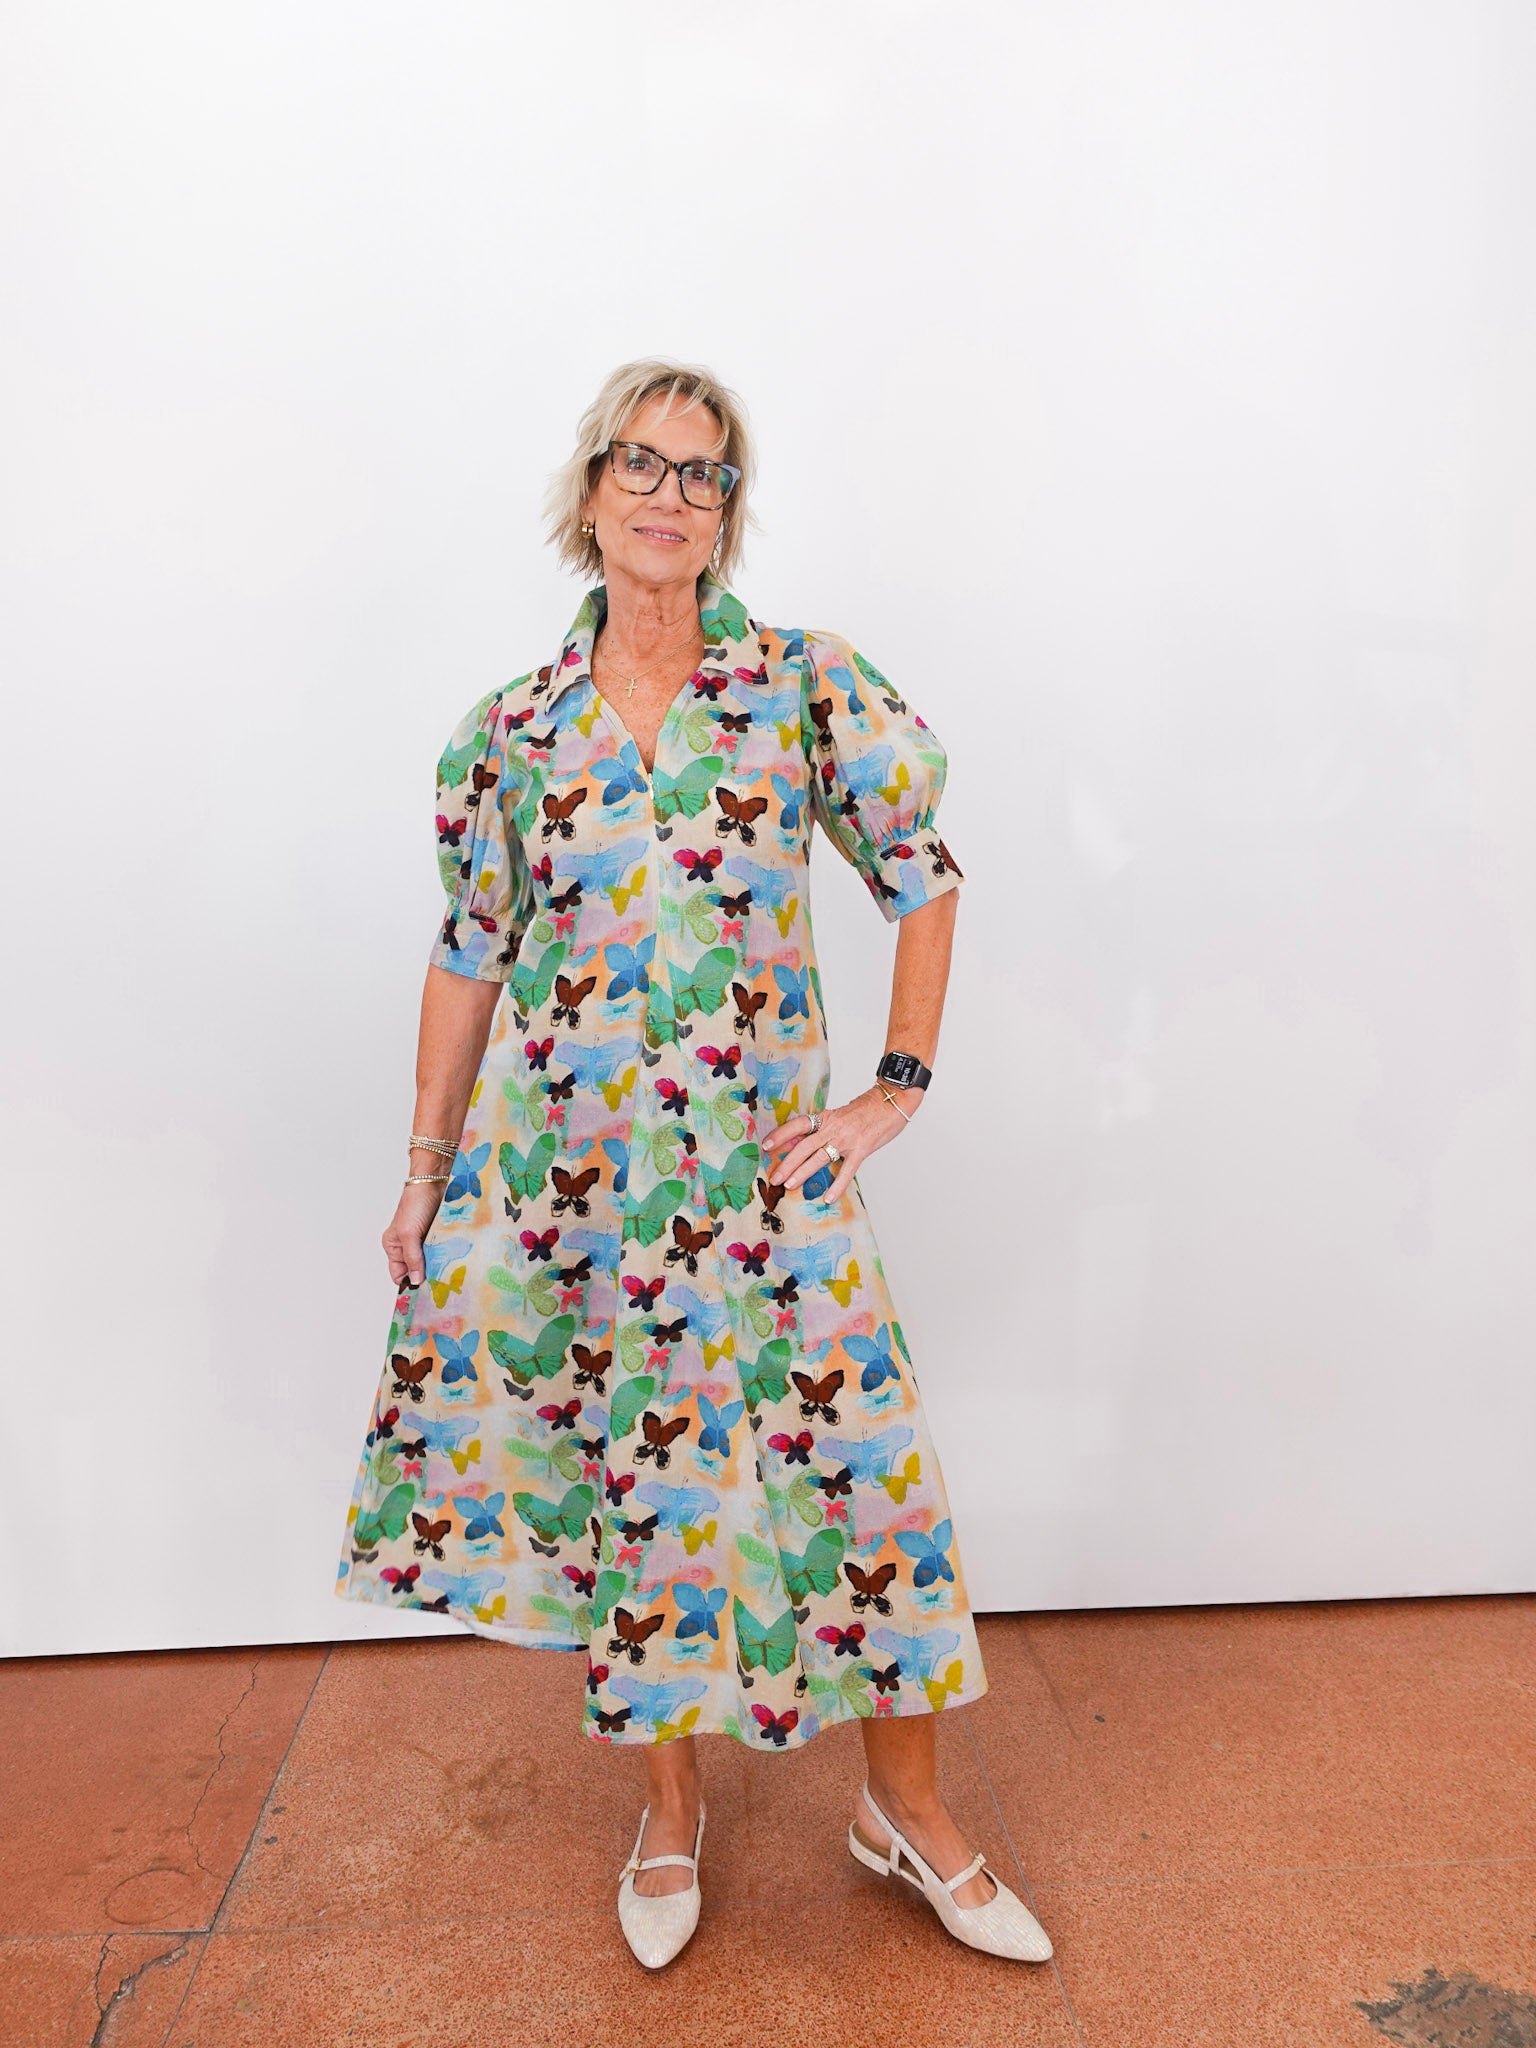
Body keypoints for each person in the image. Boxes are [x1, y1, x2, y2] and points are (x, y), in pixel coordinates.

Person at [335, 358, 1052, 1969]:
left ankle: (908, 1816)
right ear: (586, 494)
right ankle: (672, 1806)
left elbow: (921, 877)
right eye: (640, 466)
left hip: (766, 1177)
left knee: (863, 1484)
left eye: (703, 473)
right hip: (582, 1188)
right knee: (634, 1487)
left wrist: (895, 1087)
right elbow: (470, 954)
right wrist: (424, 1166)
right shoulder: (512, 734)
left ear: (731, 513)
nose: (670, 495)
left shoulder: (801, 685)